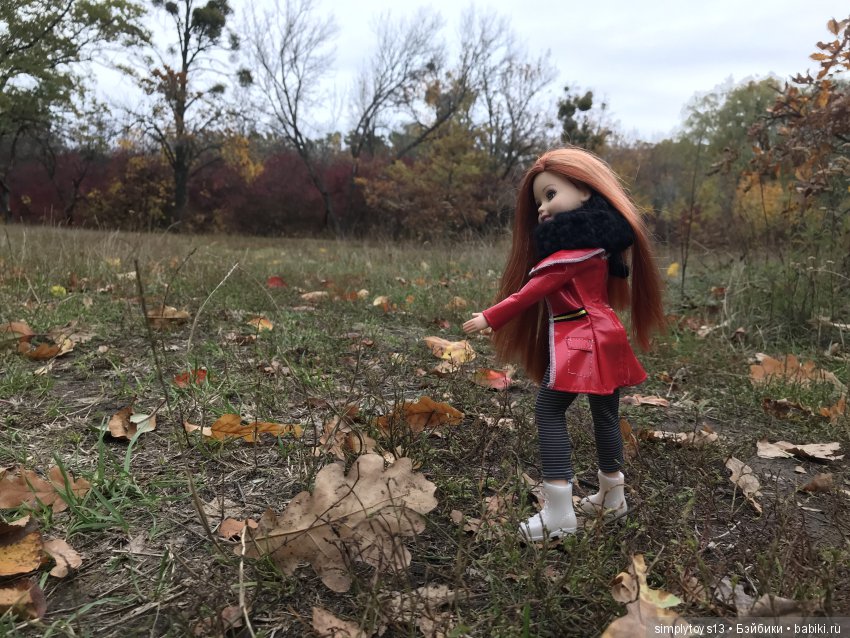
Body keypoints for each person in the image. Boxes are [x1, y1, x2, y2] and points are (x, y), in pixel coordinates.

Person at [463, 147, 665, 541]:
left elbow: (530, 292)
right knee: (605, 414)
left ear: (585, 191)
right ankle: (613, 496)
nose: (542, 208)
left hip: (582, 340)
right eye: (539, 201)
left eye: (551, 195)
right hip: (607, 334)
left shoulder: (569, 256)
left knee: (549, 409)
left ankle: (558, 513)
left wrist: (490, 316)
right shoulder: (598, 249)